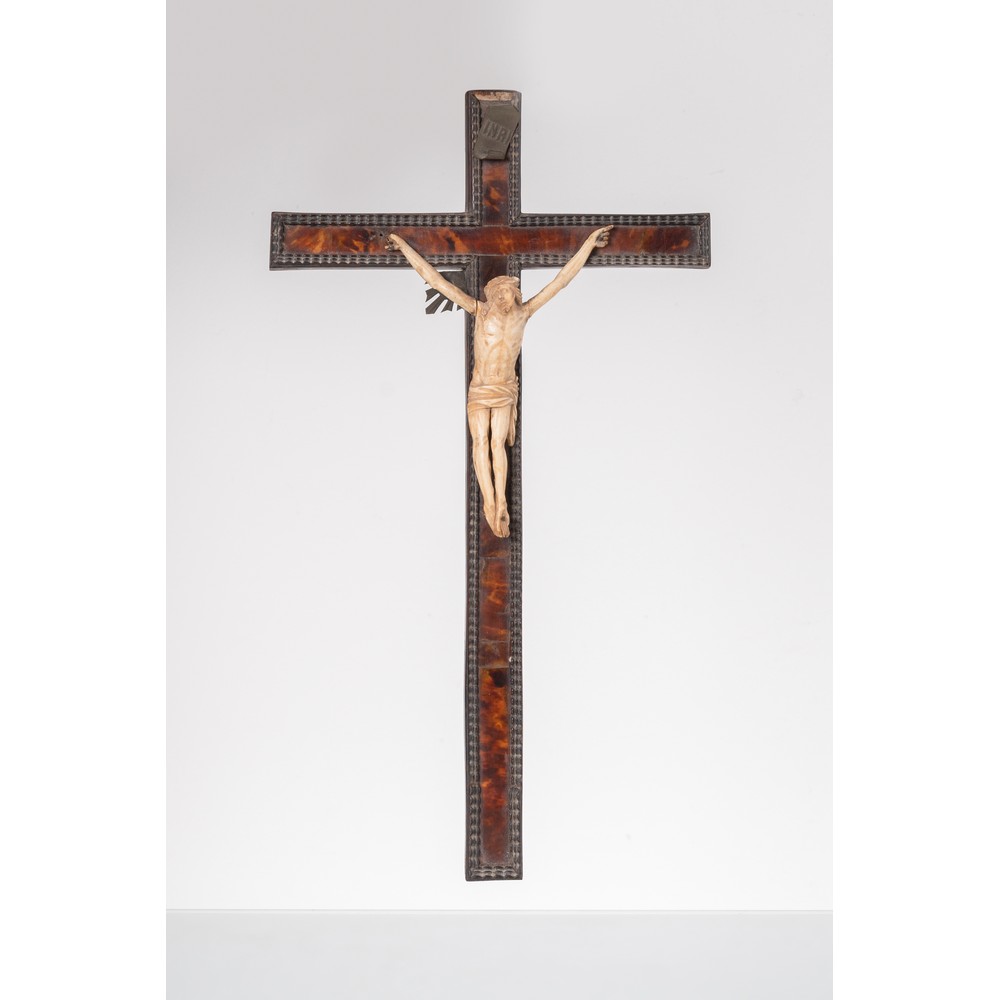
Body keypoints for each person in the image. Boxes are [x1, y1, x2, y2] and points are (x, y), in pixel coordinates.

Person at [387, 226, 612, 537]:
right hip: (481, 389)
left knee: (497, 443)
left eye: (509, 291)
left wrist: (588, 244)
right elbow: (437, 282)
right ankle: (490, 502)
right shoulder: (479, 311)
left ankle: (501, 502)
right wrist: (404, 248)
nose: (506, 295)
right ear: (491, 295)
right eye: (501, 291)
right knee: (481, 442)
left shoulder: (524, 313)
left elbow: (561, 280)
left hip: (504, 389)